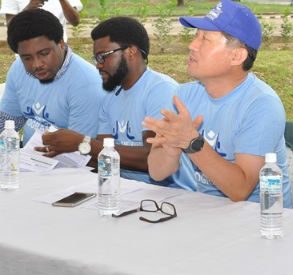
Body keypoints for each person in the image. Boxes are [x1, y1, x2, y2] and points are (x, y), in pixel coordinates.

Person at [143, 0, 292, 207]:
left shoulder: (262, 105)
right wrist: (170, 149)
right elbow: (157, 172)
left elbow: (240, 189)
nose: (192, 45)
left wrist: (191, 142)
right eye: (196, 36)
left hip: (260, 220)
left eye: (205, 39)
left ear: (237, 56)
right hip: (208, 213)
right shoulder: (184, 96)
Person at [39, 17, 178, 184]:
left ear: (131, 52)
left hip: (163, 196)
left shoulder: (161, 91)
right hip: (120, 189)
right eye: (96, 59)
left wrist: (83, 142)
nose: (98, 65)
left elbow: (150, 159)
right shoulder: (110, 98)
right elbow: (103, 156)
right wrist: (63, 152)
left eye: (103, 56)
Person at [1, 9, 103, 144]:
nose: (36, 64)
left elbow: (81, 151)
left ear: (61, 43)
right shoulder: (18, 69)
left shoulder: (88, 85)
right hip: (26, 159)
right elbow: (8, 122)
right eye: (27, 58)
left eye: (44, 53)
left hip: (69, 162)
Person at [0, 0, 83, 42]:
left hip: (57, 48)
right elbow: (11, 27)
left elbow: (75, 21)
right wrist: (28, 9)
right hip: (26, 51)